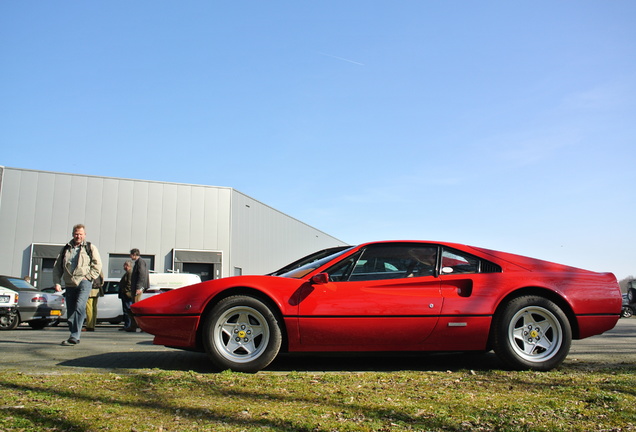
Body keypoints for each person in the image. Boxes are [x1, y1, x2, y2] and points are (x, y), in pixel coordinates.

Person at [53, 224, 102, 346]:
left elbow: (97, 265)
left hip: (84, 282)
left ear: (84, 235)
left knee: (79, 307)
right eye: (76, 234)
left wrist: (89, 277)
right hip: (69, 283)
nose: (78, 236)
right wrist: (57, 282)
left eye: (80, 234)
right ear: (72, 234)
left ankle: (75, 336)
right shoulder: (66, 249)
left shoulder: (90, 248)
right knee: (71, 310)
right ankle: (73, 333)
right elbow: (57, 267)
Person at [127, 248, 149, 332]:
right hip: (136, 288)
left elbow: (141, 275)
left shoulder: (140, 262)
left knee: (136, 308)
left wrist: (139, 288)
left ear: (134, 254)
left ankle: (139, 326)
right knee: (135, 308)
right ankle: (134, 326)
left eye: (131, 254)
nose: (130, 256)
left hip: (137, 289)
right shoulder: (139, 262)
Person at [118, 260, 134, 331]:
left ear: (129, 266)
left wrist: (126, 291)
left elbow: (129, 283)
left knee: (128, 310)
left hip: (127, 294)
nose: (124, 267)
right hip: (125, 294)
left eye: (125, 265)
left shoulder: (130, 273)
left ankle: (128, 325)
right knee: (126, 310)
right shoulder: (127, 273)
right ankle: (126, 325)